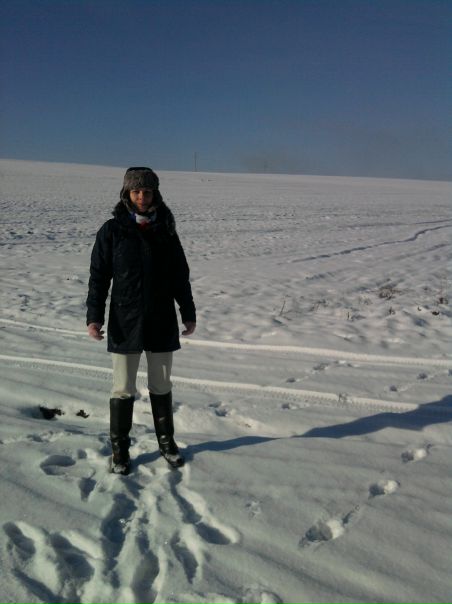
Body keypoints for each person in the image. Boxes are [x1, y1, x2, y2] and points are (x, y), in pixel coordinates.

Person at [86, 167, 196, 475]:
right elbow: (99, 277)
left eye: (147, 191)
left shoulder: (166, 230)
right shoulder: (112, 230)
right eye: (136, 191)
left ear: (155, 194)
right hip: (125, 319)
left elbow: (180, 276)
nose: (142, 197)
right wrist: (94, 316)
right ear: (126, 194)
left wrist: (188, 311)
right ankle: (120, 450)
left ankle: (167, 443)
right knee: (123, 387)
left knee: (161, 384)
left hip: (161, 319)